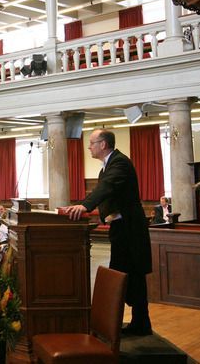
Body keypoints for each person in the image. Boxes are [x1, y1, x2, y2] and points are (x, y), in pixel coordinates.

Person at [64, 129, 152, 336]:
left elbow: (106, 188)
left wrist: (84, 207)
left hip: (130, 230)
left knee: (129, 276)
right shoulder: (107, 167)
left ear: (103, 144)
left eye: (92, 143)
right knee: (124, 276)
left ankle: (126, 324)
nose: (89, 147)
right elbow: (106, 192)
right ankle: (134, 323)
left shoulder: (119, 163)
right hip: (121, 229)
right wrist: (89, 207)